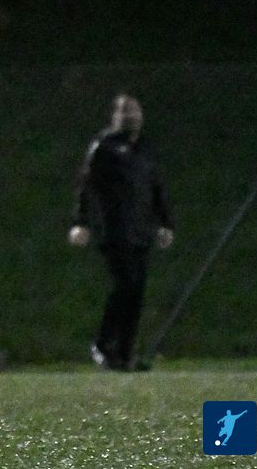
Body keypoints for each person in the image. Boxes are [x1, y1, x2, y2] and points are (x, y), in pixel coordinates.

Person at [69, 93, 174, 372]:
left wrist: (165, 223)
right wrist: (80, 222)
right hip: (114, 229)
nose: (131, 117)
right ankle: (103, 344)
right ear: (115, 117)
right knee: (124, 285)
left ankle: (125, 354)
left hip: (141, 231)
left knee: (136, 291)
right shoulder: (104, 147)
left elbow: (155, 188)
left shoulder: (145, 150)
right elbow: (85, 185)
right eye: (125, 112)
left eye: (135, 112)